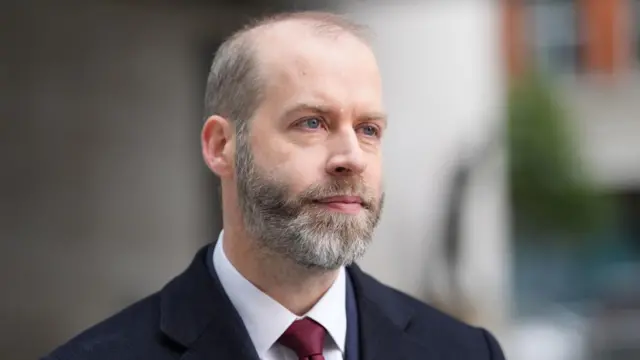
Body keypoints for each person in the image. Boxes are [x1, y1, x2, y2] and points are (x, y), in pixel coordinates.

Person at [43, 11, 506, 360]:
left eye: (368, 129)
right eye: (311, 123)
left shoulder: (465, 351)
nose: (350, 158)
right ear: (221, 145)